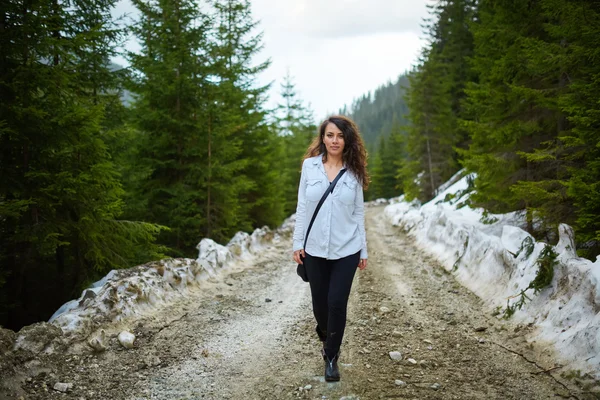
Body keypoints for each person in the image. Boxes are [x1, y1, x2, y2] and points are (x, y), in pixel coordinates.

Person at [292, 115, 369, 382]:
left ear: (347, 139)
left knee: (337, 303)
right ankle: (326, 331)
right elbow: (302, 207)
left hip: (347, 249)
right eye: (329, 135)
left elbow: (359, 212)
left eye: (339, 136)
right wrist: (297, 243)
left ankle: (331, 356)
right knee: (320, 307)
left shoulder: (354, 170)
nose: (334, 140)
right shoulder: (309, 167)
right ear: (323, 138)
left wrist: (364, 250)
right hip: (314, 249)